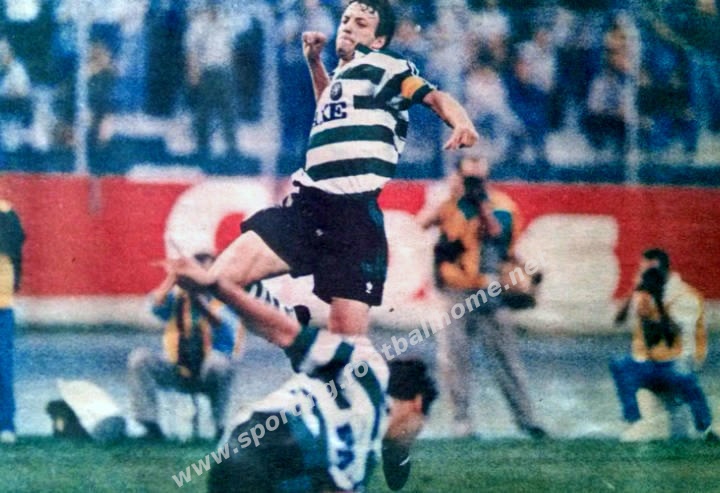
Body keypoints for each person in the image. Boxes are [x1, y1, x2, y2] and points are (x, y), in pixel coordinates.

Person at [207, 0, 479, 338]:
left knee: (347, 343)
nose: (348, 26)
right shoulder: (342, 75)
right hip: (308, 206)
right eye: (346, 19)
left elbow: (433, 96)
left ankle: (309, 347)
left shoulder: (385, 67)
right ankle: (296, 334)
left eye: (361, 23)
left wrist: (461, 121)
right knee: (219, 279)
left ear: (378, 41)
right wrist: (314, 63)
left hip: (353, 217)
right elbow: (328, 103)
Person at [166, 256, 438, 493]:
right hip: (278, 452)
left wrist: (220, 286)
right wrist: (217, 286)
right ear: (417, 404)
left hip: (237, 445)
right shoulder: (368, 381)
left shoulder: (360, 380)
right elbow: (286, 331)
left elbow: (283, 328)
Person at [419, 154, 545, 438]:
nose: (474, 184)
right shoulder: (449, 204)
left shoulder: (502, 205)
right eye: (469, 179)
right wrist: (450, 197)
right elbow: (422, 222)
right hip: (456, 288)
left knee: (505, 357)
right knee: (455, 357)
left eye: (478, 178)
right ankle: (462, 421)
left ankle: (527, 419)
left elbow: (500, 236)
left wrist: (480, 207)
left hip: (491, 288)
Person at [127, 252, 245, 441]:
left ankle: (221, 428)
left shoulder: (227, 297)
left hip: (211, 372)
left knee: (218, 364)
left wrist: (201, 304)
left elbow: (221, 324)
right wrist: (172, 279)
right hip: (178, 367)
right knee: (140, 359)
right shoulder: (179, 298)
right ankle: (150, 426)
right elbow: (155, 306)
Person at [610, 263, 717, 442]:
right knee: (620, 364)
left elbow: (669, 335)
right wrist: (631, 297)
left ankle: (705, 427)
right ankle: (632, 418)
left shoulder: (675, 301)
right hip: (647, 363)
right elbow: (619, 320)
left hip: (670, 362)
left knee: (687, 380)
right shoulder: (641, 300)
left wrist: (657, 307)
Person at [0, 199, 24, 444]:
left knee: (2, 369)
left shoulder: (5, 213)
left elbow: (12, 251)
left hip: (1, 307)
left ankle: (5, 424)